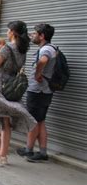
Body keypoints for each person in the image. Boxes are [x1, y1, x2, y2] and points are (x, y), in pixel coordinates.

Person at [0, 21, 37, 166]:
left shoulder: (7, 48)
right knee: (6, 123)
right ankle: (3, 156)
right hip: (11, 86)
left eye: (9, 30)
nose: (7, 32)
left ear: (14, 32)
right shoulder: (23, 49)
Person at [17, 23, 57, 162]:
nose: (32, 36)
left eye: (35, 33)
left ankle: (29, 150)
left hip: (38, 91)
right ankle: (42, 152)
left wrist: (37, 74)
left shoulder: (46, 49)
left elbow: (43, 61)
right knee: (40, 121)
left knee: (33, 121)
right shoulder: (51, 48)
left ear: (42, 36)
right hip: (44, 91)